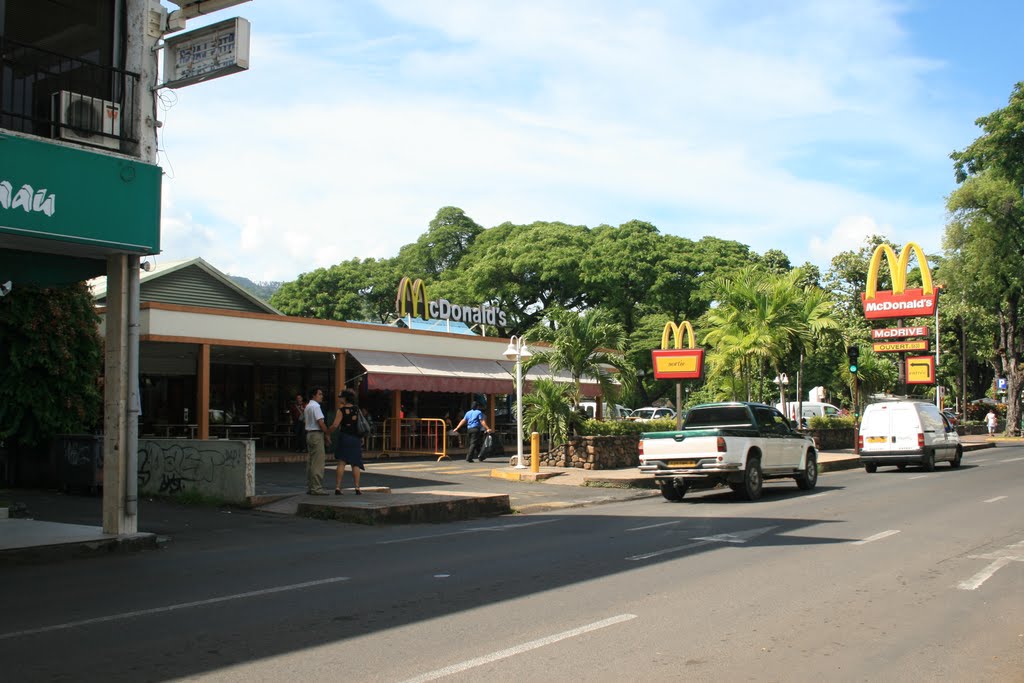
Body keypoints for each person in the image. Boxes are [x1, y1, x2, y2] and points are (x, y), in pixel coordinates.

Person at [329, 389, 366, 494]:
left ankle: (337, 487)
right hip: (355, 438)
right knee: (355, 464)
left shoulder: (341, 410)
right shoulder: (357, 410)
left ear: (345, 398)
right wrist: (361, 437)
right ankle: (357, 488)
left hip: (344, 437)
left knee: (341, 462)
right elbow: (360, 425)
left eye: (341, 396)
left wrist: (327, 432)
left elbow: (335, 425)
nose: (339, 398)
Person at [304, 388, 331, 495]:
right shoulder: (316, 406)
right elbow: (320, 422)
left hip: (309, 433)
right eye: (320, 394)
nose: (321, 396)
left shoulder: (308, 406)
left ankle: (311, 486)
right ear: (314, 395)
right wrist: (327, 434)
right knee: (318, 462)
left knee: (311, 462)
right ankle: (317, 487)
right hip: (316, 434)